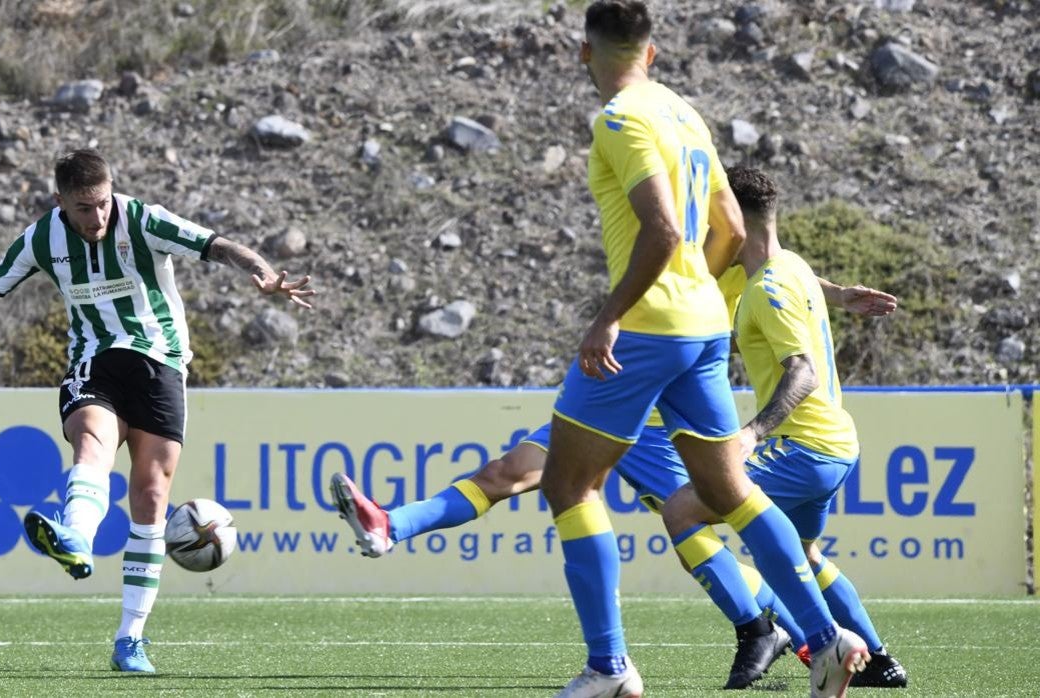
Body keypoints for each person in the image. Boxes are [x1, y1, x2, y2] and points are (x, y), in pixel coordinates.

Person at [331, 279, 896, 690]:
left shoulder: (693, 223)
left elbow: (767, 268)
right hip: (606, 395)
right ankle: (389, 525)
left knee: (695, 525)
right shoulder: (661, 220)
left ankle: (792, 634)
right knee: (503, 473)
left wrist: (835, 295)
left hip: (657, 423)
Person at [534, 3, 867, 696]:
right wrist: (697, 292)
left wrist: (609, 318)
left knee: (569, 484)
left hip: (652, 329)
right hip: (702, 326)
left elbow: (659, 231)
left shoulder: (620, 119)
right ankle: (823, 636)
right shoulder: (684, 113)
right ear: (651, 54)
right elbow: (728, 226)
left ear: (582, 53)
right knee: (727, 488)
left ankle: (609, 668)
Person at [0, 149, 315, 674]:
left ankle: (130, 638)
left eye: (104, 203)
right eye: (84, 208)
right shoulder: (42, 238)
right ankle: (76, 539)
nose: (98, 217)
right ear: (60, 202)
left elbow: (217, 245)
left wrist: (263, 273)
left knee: (152, 494)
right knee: (91, 442)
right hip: (94, 362)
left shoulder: (141, 219)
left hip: (159, 364)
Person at [661, 165, 908, 689]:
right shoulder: (788, 266)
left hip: (804, 448)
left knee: (682, 510)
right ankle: (880, 662)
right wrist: (840, 295)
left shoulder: (766, 292)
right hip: (838, 444)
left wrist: (752, 433)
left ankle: (792, 637)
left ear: (734, 219)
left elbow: (803, 372)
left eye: (714, 217)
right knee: (806, 553)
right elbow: (796, 282)